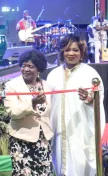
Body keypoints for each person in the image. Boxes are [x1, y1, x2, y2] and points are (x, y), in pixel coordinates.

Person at [47, 34, 106, 176]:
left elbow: (98, 100)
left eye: (75, 50)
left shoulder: (90, 73)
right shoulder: (53, 74)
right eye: (67, 50)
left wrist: (89, 99)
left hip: (81, 130)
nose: (71, 53)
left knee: (81, 164)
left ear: (82, 52)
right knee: (60, 164)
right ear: (62, 52)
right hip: (59, 130)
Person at [4, 49, 53, 175]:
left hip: (43, 141)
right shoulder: (12, 85)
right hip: (22, 141)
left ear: (39, 69)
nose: (26, 69)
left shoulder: (47, 86)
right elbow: (13, 112)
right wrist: (32, 103)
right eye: (23, 66)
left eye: (30, 66)